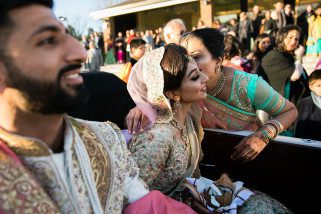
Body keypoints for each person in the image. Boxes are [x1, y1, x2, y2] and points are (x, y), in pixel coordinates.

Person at [0, 1, 197, 213]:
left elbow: (146, 204)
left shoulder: (106, 137)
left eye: (67, 36)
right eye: (48, 40)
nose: (80, 53)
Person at [127, 44, 292, 213]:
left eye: (199, 71)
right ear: (172, 94)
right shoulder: (157, 140)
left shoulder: (190, 117)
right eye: (194, 77)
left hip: (194, 197)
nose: (205, 78)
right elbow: (129, 197)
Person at [180, 28, 297, 160]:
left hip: (247, 157)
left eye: (195, 57)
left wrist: (262, 136)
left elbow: (290, 111)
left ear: (218, 60)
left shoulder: (248, 85)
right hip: (202, 160)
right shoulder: (181, 85)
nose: (188, 64)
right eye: (184, 58)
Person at [261, 25, 310, 109]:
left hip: (302, 104)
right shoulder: (273, 55)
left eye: (296, 39)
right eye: (290, 37)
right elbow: (295, 76)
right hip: (286, 108)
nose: (293, 41)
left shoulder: (290, 55)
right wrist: (299, 57)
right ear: (281, 38)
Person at [295, 69, 321, 141]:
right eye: (318, 86)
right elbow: (300, 128)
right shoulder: (306, 103)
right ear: (311, 87)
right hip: (311, 144)